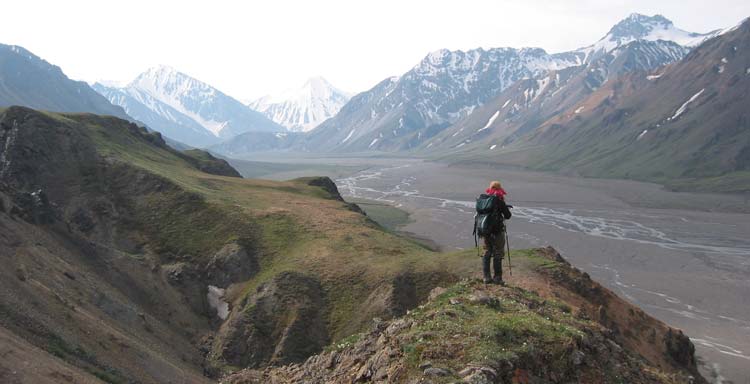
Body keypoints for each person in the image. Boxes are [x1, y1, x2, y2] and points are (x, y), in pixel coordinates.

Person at [482, 180, 512, 284]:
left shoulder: (484, 200)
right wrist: (504, 208)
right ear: (499, 189)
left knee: (487, 252)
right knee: (498, 253)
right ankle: (497, 278)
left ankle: (486, 277)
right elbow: (508, 216)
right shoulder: (499, 200)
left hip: (485, 231)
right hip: (497, 231)